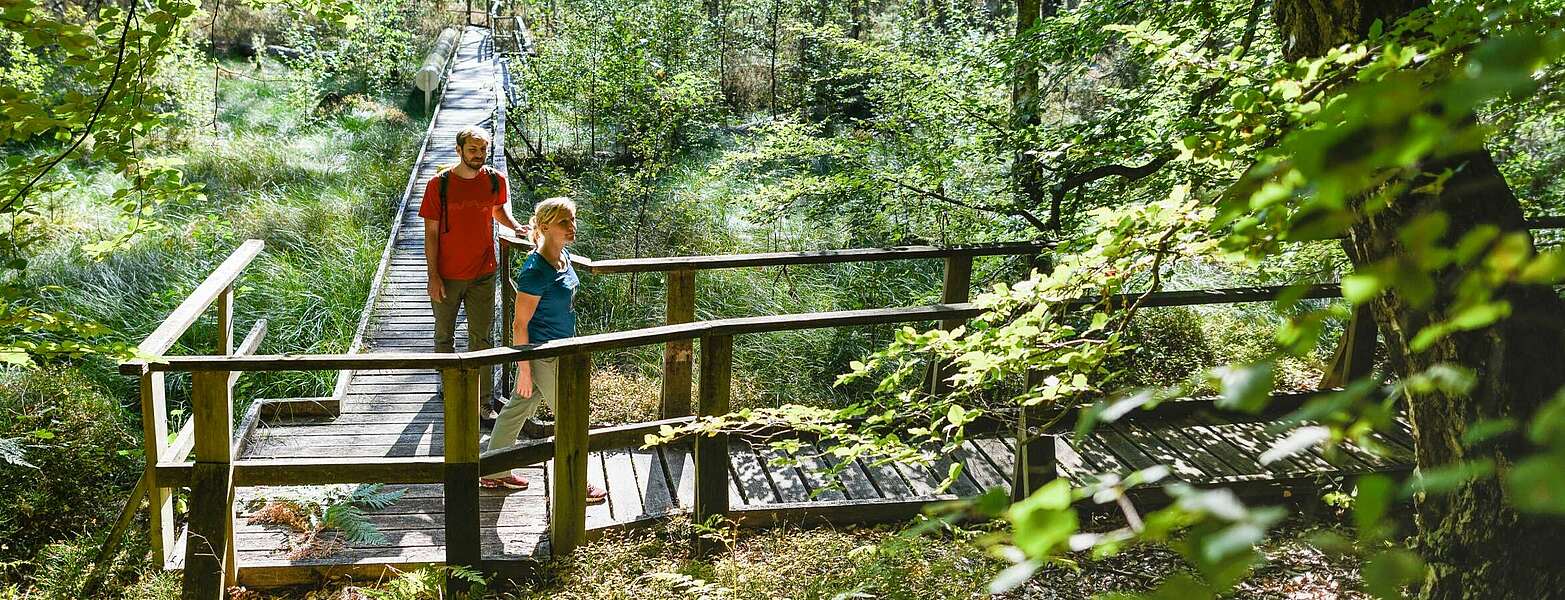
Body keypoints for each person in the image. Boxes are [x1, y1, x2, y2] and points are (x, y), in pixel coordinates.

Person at [481, 197, 607, 504]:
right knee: (571, 413)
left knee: (515, 410)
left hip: (559, 348)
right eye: (565, 222)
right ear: (546, 226)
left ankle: (493, 470)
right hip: (543, 355)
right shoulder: (535, 271)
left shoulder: (562, 256)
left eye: (573, 220)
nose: (572, 227)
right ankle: (577, 481)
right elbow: (519, 324)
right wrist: (525, 369)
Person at [419, 125, 526, 416]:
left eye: (483, 150)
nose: (478, 155)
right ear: (459, 150)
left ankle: (484, 402)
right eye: (472, 150)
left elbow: (497, 210)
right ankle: (447, 384)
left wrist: (515, 227)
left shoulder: (494, 180)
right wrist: (433, 276)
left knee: (483, 338)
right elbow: (430, 233)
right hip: (447, 275)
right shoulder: (438, 184)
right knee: (444, 335)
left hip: (483, 273)